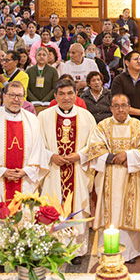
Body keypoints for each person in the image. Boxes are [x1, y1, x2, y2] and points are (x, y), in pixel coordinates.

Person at [84, 93, 140, 263]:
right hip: (108, 176)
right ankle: (110, 250)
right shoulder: (102, 126)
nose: (120, 109)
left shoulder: (138, 126)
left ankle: (130, 253)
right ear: (111, 109)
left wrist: (127, 156)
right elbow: (94, 148)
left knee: (129, 212)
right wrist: (113, 158)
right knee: (110, 214)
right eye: (116, 106)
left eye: (124, 105)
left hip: (131, 177)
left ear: (129, 107)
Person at [37, 79, 97, 265]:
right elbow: (36, 145)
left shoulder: (86, 116)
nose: (66, 97)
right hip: (53, 171)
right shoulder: (44, 117)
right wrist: (50, 156)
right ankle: (53, 247)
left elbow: (94, 145)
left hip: (77, 170)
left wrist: (79, 155)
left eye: (70, 93)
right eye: (61, 94)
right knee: (52, 207)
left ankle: (76, 251)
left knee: (77, 207)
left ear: (75, 95)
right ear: (55, 96)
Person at [111, 51, 140, 123]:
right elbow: (118, 105)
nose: (139, 62)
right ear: (127, 63)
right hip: (126, 121)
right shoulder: (119, 80)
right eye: (136, 59)